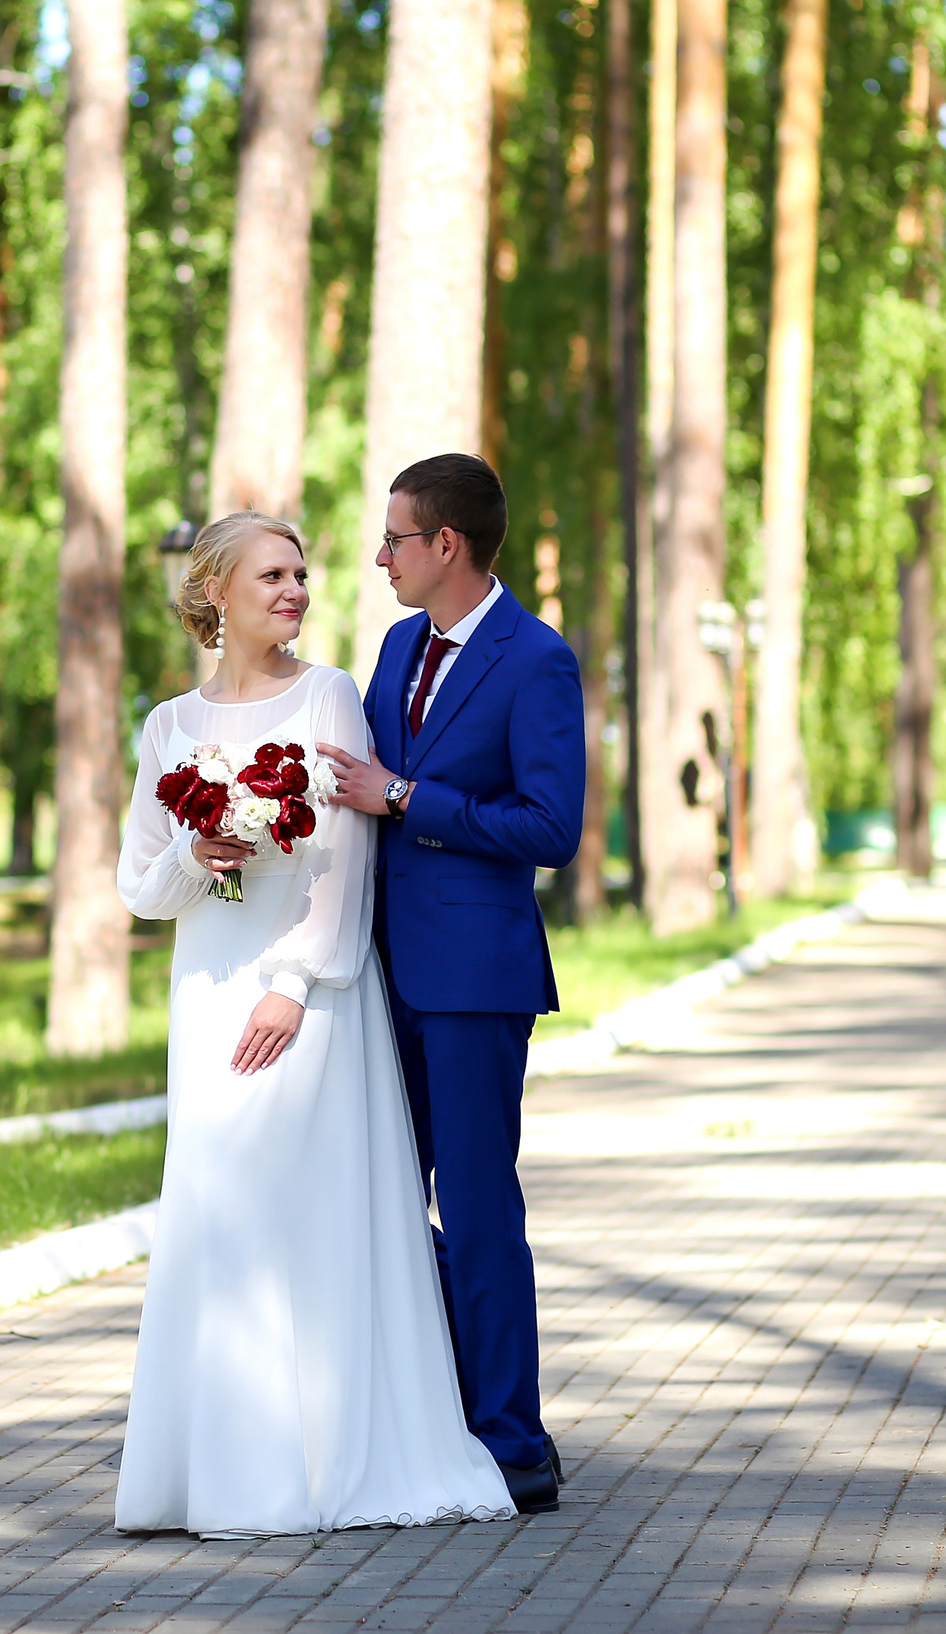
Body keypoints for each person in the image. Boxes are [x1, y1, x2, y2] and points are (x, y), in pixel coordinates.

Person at [113, 510, 515, 1537]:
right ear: (214, 592)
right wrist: (190, 856)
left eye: (300, 573)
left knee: (308, 1208)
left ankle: (326, 1453)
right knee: (221, 1207)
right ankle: (213, 1470)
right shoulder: (167, 724)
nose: (294, 589)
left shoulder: (328, 693)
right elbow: (139, 885)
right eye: (272, 574)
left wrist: (296, 980)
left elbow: (346, 857)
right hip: (207, 986)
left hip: (308, 992)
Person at [319, 453, 584, 1516]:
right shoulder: (393, 644)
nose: (379, 555)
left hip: (475, 979)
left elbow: (548, 827)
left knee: (474, 1211)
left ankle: (513, 1442)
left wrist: (407, 796)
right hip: (378, 969)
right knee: (381, 1201)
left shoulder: (536, 661)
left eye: (394, 537)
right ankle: (428, 1416)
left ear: (447, 546)